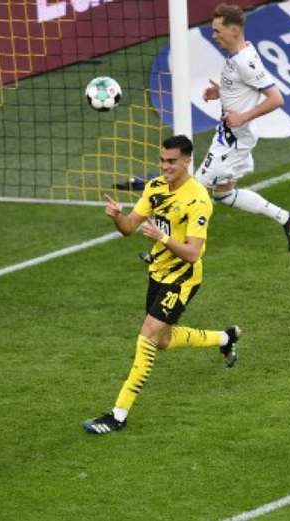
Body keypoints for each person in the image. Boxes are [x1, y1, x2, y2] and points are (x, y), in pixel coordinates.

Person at [83, 135, 240, 435]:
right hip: (157, 273)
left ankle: (118, 414)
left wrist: (162, 238)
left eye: (171, 162)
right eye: (162, 160)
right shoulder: (155, 188)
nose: (165, 167)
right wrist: (117, 217)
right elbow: (129, 228)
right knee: (164, 341)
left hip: (182, 278)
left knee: (147, 337)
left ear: (186, 161)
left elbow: (194, 253)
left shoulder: (198, 200)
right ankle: (224, 339)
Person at [198, 2, 290, 251]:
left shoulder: (246, 61)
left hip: (233, 140)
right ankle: (287, 219)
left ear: (234, 30)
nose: (213, 36)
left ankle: (176, 248)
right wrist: (221, 92)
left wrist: (244, 117)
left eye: (217, 31)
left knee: (194, 190)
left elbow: (276, 98)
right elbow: (243, 88)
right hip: (229, 135)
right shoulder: (237, 57)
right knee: (223, 194)